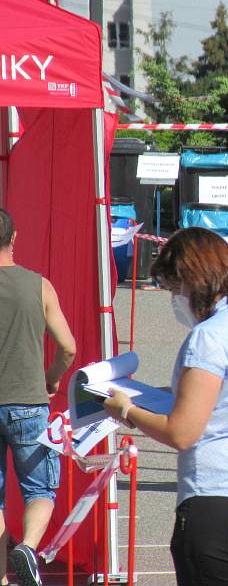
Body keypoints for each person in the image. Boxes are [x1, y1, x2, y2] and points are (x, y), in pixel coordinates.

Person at [104, 227, 228, 586]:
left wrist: (126, 410)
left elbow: (182, 432)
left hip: (223, 501)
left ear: (190, 280)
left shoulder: (210, 337)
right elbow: (226, 396)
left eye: (172, 289)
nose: (174, 301)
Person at [0, 208, 77, 586]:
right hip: (29, 402)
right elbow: (67, 347)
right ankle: (28, 548)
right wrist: (52, 380)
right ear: (13, 240)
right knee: (41, 489)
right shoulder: (39, 286)